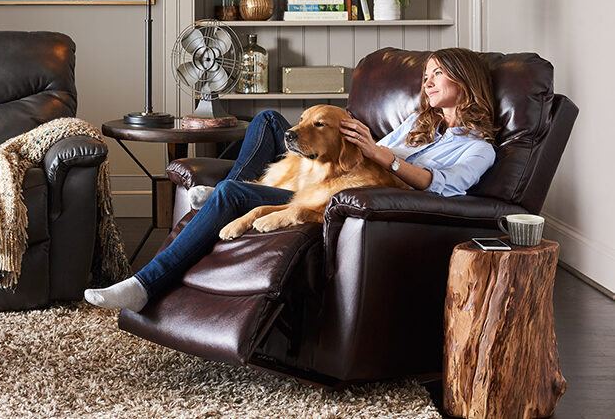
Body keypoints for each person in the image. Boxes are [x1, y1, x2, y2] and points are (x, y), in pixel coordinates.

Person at [85, 47, 498, 312]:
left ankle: (145, 284)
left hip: (353, 199)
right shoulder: (415, 123)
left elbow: (442, 186)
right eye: (425, 74)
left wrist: (382, 156)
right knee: (266, 119)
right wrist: (352, 138)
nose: (426, 81)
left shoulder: (479, 148)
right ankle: (233, 192)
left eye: (438, 73)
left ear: (466, 83)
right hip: (328, 179)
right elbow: (361, 150)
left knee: (230, 193)